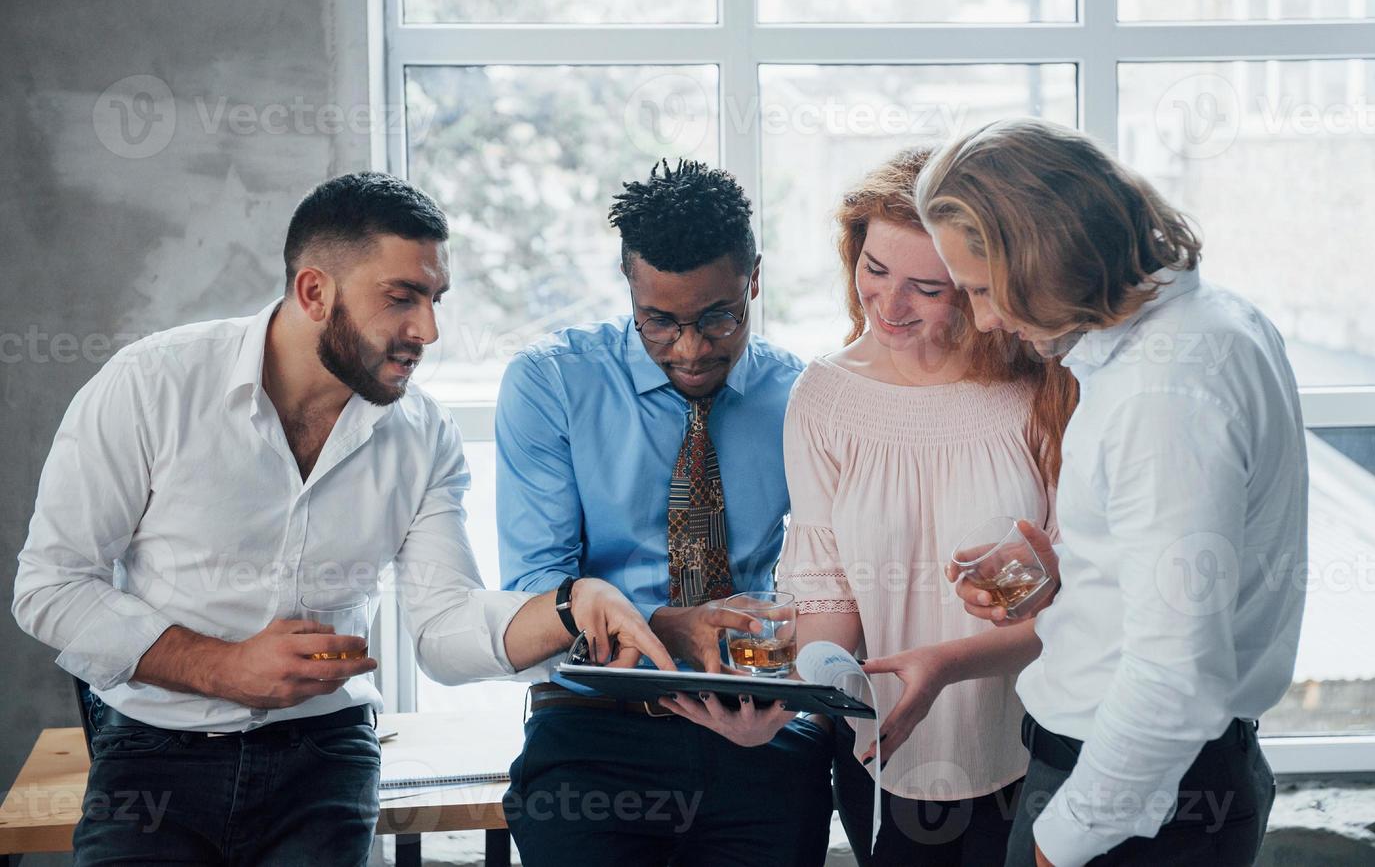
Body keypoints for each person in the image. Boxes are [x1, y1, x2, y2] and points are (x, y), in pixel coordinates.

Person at [11, 171, 671, 866]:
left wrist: (574, 603)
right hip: (153, 755)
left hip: (325, 755)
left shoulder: (423, 436)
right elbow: (50, 587)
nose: (429, 330)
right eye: (401, 299)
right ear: (314, 292)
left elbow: (444, 630)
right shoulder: (151, 385)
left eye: (435, 299)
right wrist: (225, 667)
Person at [918, 118, 1308, 867]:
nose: (987, 319)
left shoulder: (1161, 393)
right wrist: (1075, 576)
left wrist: (1061, 844)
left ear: (1046, 254)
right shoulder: (1215, 324)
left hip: (1130, 805)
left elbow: (1175, 675)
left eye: (984, 290)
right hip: (1152, 786)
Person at [678, 147, 1076, 865]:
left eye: (927, 286)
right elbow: (827, 592)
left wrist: (1018, 602)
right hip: (884, 749)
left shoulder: (1045, 384)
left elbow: (1081, 598)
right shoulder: (826, 395)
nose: (889, 307)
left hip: (1038, 743)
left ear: (988, 283)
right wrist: (784, 702)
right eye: (875, 269)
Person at [496, 158, 834, 866]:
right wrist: (662, 628)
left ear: (755, 280)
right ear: (630, 289)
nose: (690, 349)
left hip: (756, 725)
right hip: (596, 731)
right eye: (660, 322)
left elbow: (828, 582)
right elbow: (537, 592)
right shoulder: (553, 383)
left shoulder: (800, 397)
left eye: (718, 317)